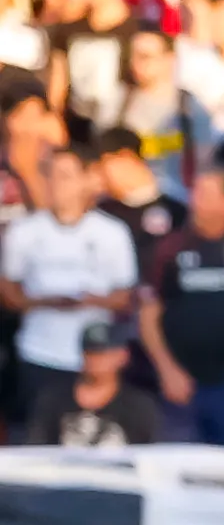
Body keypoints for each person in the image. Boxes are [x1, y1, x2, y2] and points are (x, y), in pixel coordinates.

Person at [3, 143, 144, 427]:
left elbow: (125, 295)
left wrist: (89, 301)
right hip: (39, 352)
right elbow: (8, 292)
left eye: (66, 176)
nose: (57, 185)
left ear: (85, 180)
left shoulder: (112, 233)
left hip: (95, 358)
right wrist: (43, 302)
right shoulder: (23, 232)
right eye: (51, 175)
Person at [20, 313, 156, 443]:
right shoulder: (53, 399)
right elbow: (36, 450)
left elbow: (152, 455)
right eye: (91, 353)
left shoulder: (139, 405)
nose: (96, 361)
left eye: (104, 354)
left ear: (123, 356)